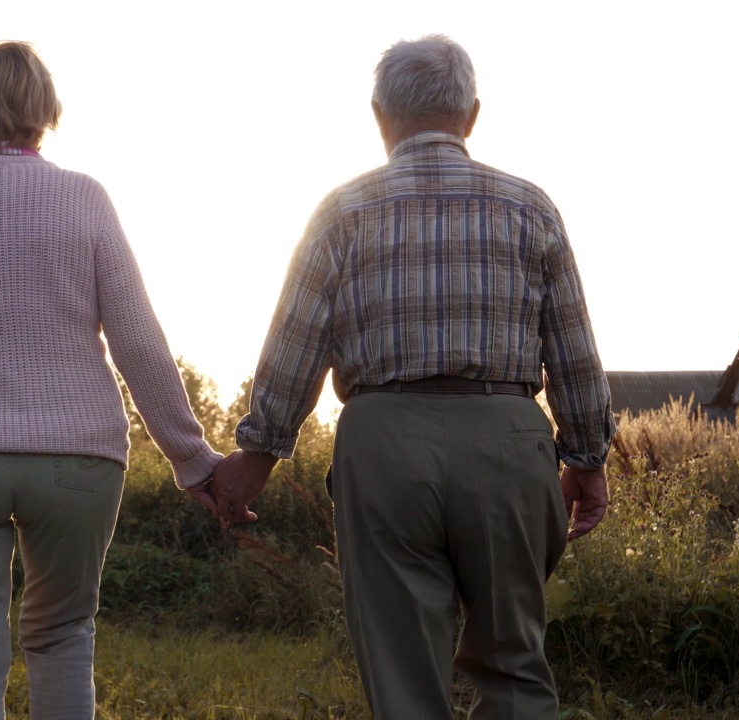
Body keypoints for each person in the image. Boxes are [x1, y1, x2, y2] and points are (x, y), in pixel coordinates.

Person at [211, 34, 617, 719]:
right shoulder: (531, 207)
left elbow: (295, 346)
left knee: (403, 680)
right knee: (515, 663)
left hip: (385, 444)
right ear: (473, 114)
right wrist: (587, 458)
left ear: (379, 115)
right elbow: (573, 348)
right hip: (508, 441)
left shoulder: (341, 213)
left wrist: (255, 458)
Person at [0, 41, 223, 720]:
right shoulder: (84, 200)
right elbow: (138, 338)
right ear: (45, 109)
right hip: (77, 457)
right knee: (61, 639)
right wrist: (192, 460)